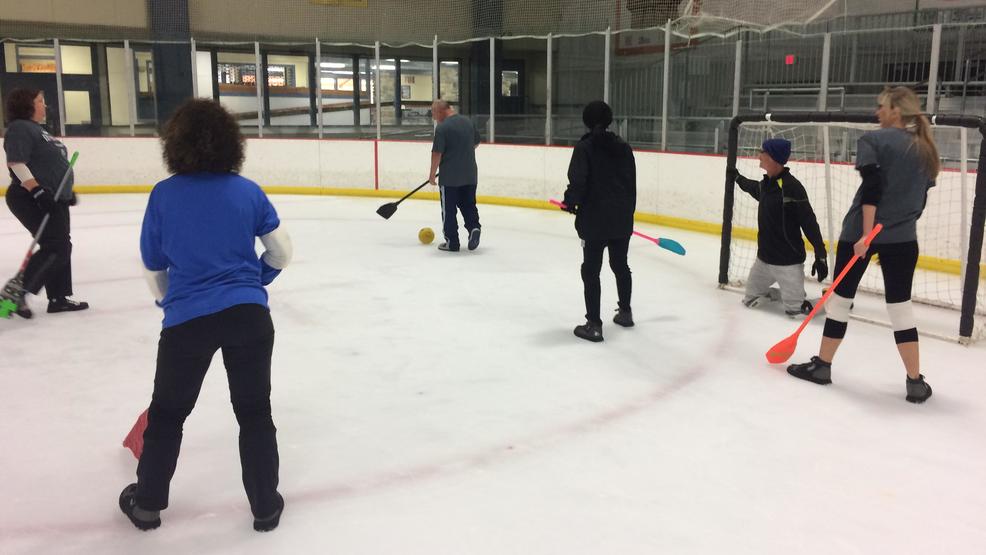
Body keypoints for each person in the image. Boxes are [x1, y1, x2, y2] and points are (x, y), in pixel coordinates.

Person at [119, 99, 293, 531]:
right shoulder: (247, 191)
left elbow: (154, 267)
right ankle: (265, 506)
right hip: (248, 316)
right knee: (254, 412)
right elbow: (281, 252)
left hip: (187, 322)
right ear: (232, 143)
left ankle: (147, 505)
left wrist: (172, 302)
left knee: (168, 415)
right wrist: (257, 279)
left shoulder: (164, 195)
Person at [786, 86, 938, 404]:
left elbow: (872, 188)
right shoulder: (925, 148)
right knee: (901, 309)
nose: (877, 112)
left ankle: (823, 366)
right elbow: (920, 200)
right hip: (903, 237)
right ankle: (914, 382)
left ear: (896, 110)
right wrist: (897, 225)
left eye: (881, 106)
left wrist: (867, 236)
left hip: (859, 233)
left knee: (840, 302)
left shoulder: (873, 141)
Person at [3, 88, 87, 318]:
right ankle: (14, 294)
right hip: (31, 197)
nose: (45, 105)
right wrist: (37, 190)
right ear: (27, 104)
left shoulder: (41, 131)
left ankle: (58, 298)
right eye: (40, 100)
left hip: (54, 197)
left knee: (61, 245)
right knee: (56, 246)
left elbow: (49, 165)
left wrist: (67, 191)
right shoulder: (20, 128)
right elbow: (17, 163)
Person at [561, 100, 636, 342]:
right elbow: (630, 184)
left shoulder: (585, 148)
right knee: (620, 265)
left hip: (594, 220)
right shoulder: (623, 147)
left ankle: (594, 324)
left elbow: (578, 181)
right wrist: (627, 215)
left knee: (591, 270)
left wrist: (570, 202)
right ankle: (625, 312)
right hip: (621, 219)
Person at [728, 138, 828, 317]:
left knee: (794, 311)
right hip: (764, 260)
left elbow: (809, 222)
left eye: (762, 152)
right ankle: (788, 292)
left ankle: (833, 300)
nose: (759, 156)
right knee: (750, 299)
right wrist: (737, 178)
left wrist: (820, 254)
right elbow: (754, 188)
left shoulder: (792, 188)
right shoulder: (766, 184)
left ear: (773, 157)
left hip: (788, 262)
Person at [428, 98, 481, 252]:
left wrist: (432, 174)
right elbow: (476, 143)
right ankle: (474, 228)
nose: (433, 117)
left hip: (450, 177)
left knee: (449, 209)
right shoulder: (468, 122)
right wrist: (461, 153)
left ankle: (452, 242)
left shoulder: (442, 128)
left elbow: (437, 153)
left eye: (434, 113)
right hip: (470, 174)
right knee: (468, 204)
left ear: (441, 111)